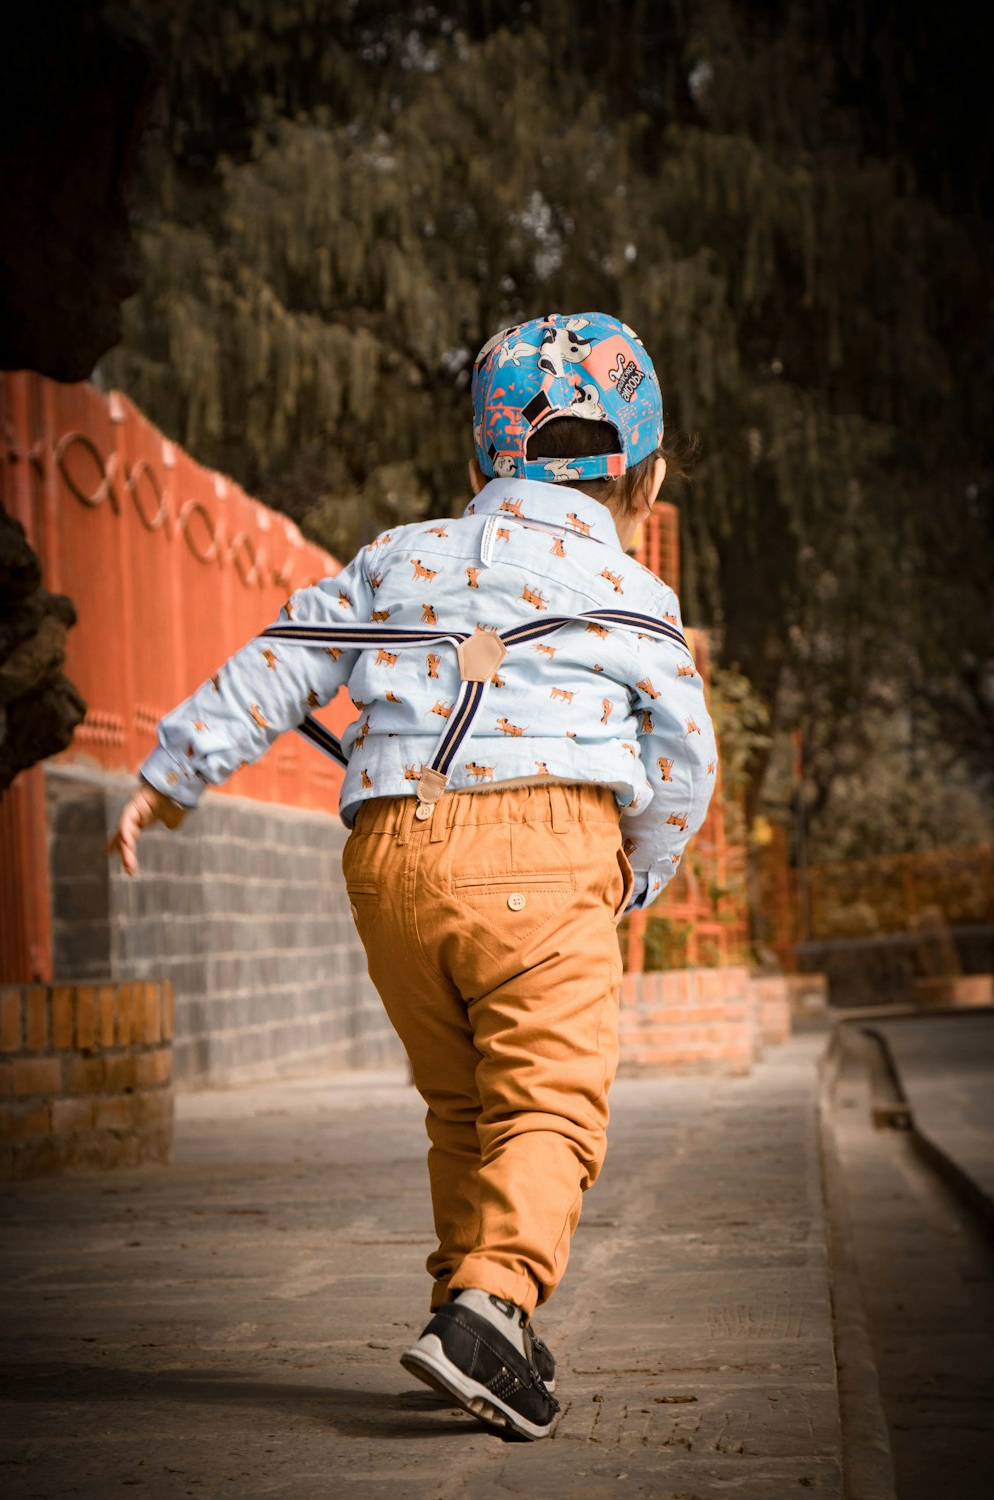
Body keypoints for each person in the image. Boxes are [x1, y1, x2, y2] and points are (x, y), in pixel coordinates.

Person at [109, 312, 718, 1441]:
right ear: (650, 481)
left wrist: (171, 772)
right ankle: (494, 1301)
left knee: (464, 1104)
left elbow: (286, 656)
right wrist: (640, 870)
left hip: (392, 861)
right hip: (546, 850)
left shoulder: (400, 555)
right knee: (549, 1108)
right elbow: (685, 761)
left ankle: (471, 1315)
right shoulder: (637, 596)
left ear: (476, 464)